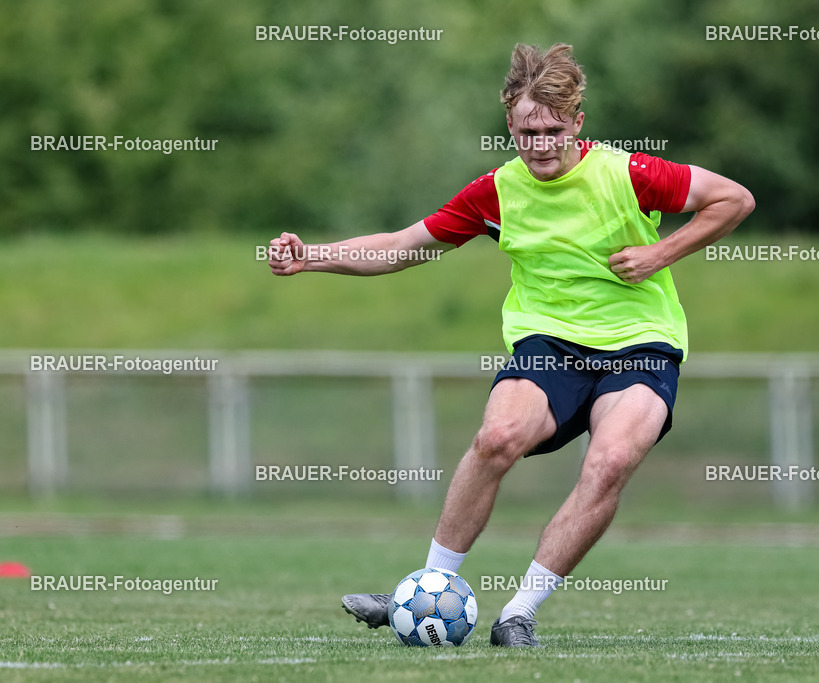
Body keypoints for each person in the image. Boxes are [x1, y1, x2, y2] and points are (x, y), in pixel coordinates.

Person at [267, 42, 754, 647]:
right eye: (528, 131)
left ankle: (520, 613)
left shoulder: (628, 175)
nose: (541, 144)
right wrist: (312, 257)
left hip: (642, 344)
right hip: (548, 344)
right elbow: (401, 246)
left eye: (553, 130)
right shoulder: (497, 191)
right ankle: (427, 588)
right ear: (510, 126)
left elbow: (734, 199)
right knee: (496, 437)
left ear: (578, 124)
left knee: (609, 462)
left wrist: (660, 252)